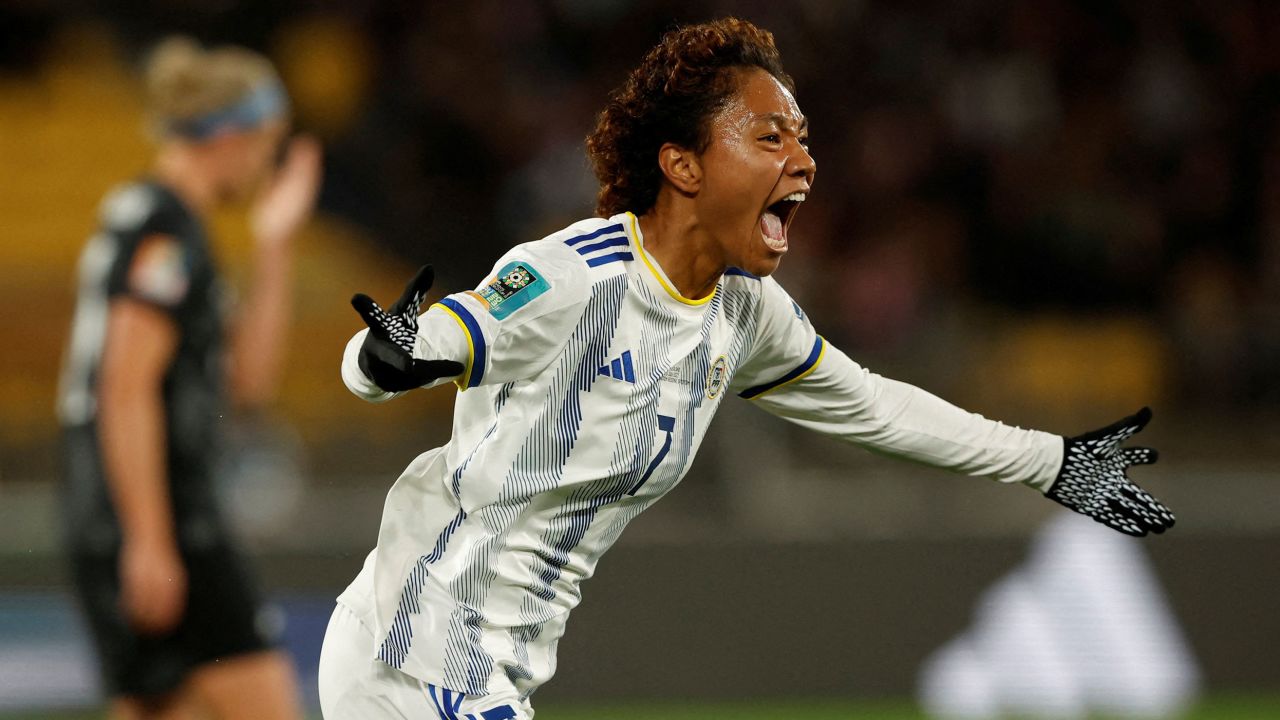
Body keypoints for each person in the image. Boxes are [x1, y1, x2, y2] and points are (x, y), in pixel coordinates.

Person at [319, 17, 1174, 719]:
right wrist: (386, 353)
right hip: (413, 658)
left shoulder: (743, 312)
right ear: (682, 165)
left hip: (488, 677)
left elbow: (875, 408)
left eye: (803, 138)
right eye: (769, 136)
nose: (802, 160)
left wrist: (1051, 461)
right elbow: (414, 347)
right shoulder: (574, 277)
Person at [57, 36, 319, 720]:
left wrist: (274, 247)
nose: (268, 164)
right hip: (159, 513)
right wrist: (149, 537)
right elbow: (124, 385)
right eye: (267, 144)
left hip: (133, 513)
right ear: (230, 135)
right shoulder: (162, 228)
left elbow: (247, 386)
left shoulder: (167, 226)